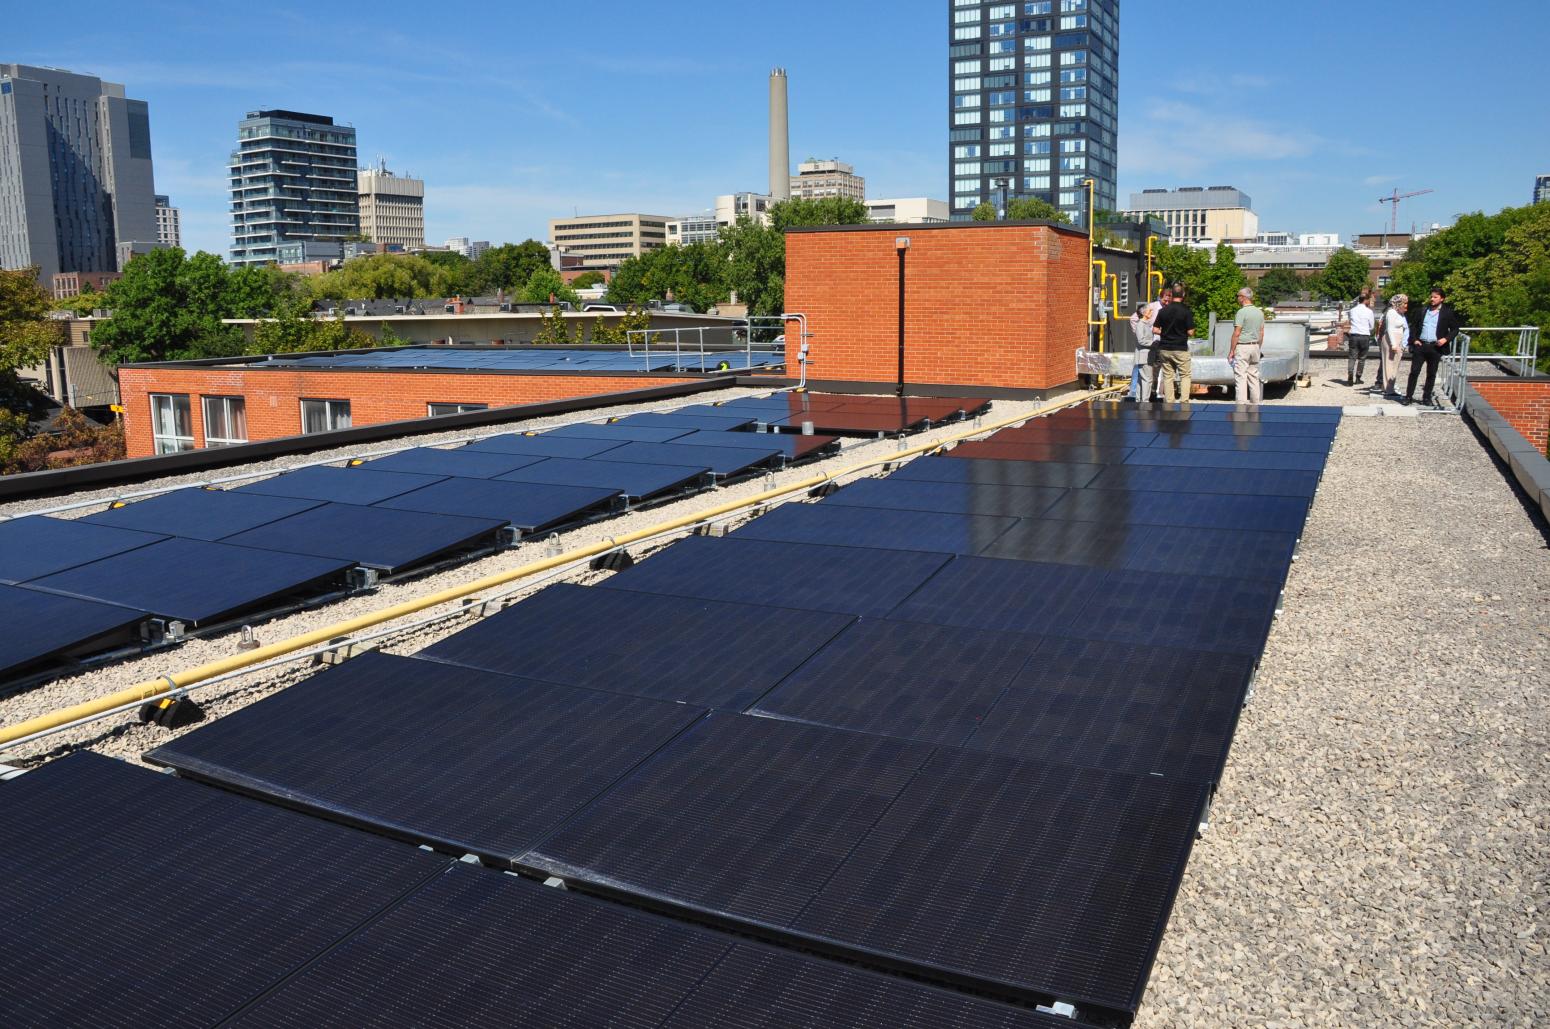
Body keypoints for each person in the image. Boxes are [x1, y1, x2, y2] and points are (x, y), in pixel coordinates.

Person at [1404, 287, 1462, 406]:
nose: (1432, 299)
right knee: (1414, 372)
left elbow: (1455, 329)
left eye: (1435, 297)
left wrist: (1445, 339)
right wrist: (1414, 339)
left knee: (1431, 373)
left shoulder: (1447, 312)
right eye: (1431, 297)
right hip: (1421, 345)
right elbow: (1413, 326)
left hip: (1435, 347)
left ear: (1442, 299)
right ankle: (1408, 396)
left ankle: (1426, 397)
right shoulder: (1423, 310)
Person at [1152, 284, 1195, 402]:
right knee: (1185, 375)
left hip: (1164, 348)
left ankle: (1169, 402)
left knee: (1168, 376)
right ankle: (1184, 402)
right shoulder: (1186, 311)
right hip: (1180, 348)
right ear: (1183, 294)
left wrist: (1166, 332)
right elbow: (1191, 332)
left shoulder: (1162, 311)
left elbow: (1155, 329)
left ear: (1171, 295)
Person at [1230, 286, 1266, 405]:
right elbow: (1262, 332)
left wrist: (1231, 351)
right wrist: (1258, 347)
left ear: (1243, 297)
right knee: (1254, 376)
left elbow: (1237, 333)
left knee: (1241, 377)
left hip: (1243, 346)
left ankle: (1241, 406)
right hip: (1255, 346)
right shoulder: (1259, 312)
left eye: (1238, 296)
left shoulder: (1241, 312)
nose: (1237, 298)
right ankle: (1255, 404)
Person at [1129, 294, 1162, 401]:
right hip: (1144, 356)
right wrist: (1153, 343)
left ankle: (1139, 400)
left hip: (1145, 355)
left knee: (1141, 378)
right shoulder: (1141, 324)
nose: (1151, 313)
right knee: (1148, 379)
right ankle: (1145, 401)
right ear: (1144, 313)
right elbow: (1141, 340)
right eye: (1149, 311)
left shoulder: (1146, 324)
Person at [1378, 294, 1409, 396]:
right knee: (1389, 364)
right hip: (1391, 340)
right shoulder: (1391, 312)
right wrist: (1393, 344)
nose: (1406, 305)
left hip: (1398, 339)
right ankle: (1389, 389)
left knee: (1395, 365)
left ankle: (1388, 386)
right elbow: (1390, 329)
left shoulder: (1400, 313)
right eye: (1404, 303)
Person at [1346, 289, 1376, 386]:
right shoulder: (1369, 312)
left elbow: (1350, 321)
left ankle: (1350, 373)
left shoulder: (1352, 311)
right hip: (1364, 336)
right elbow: (1372, 326)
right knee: (1362, 358)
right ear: (1366, 300)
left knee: (1352, 357)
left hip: (1354, 335)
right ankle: (1358, 377)